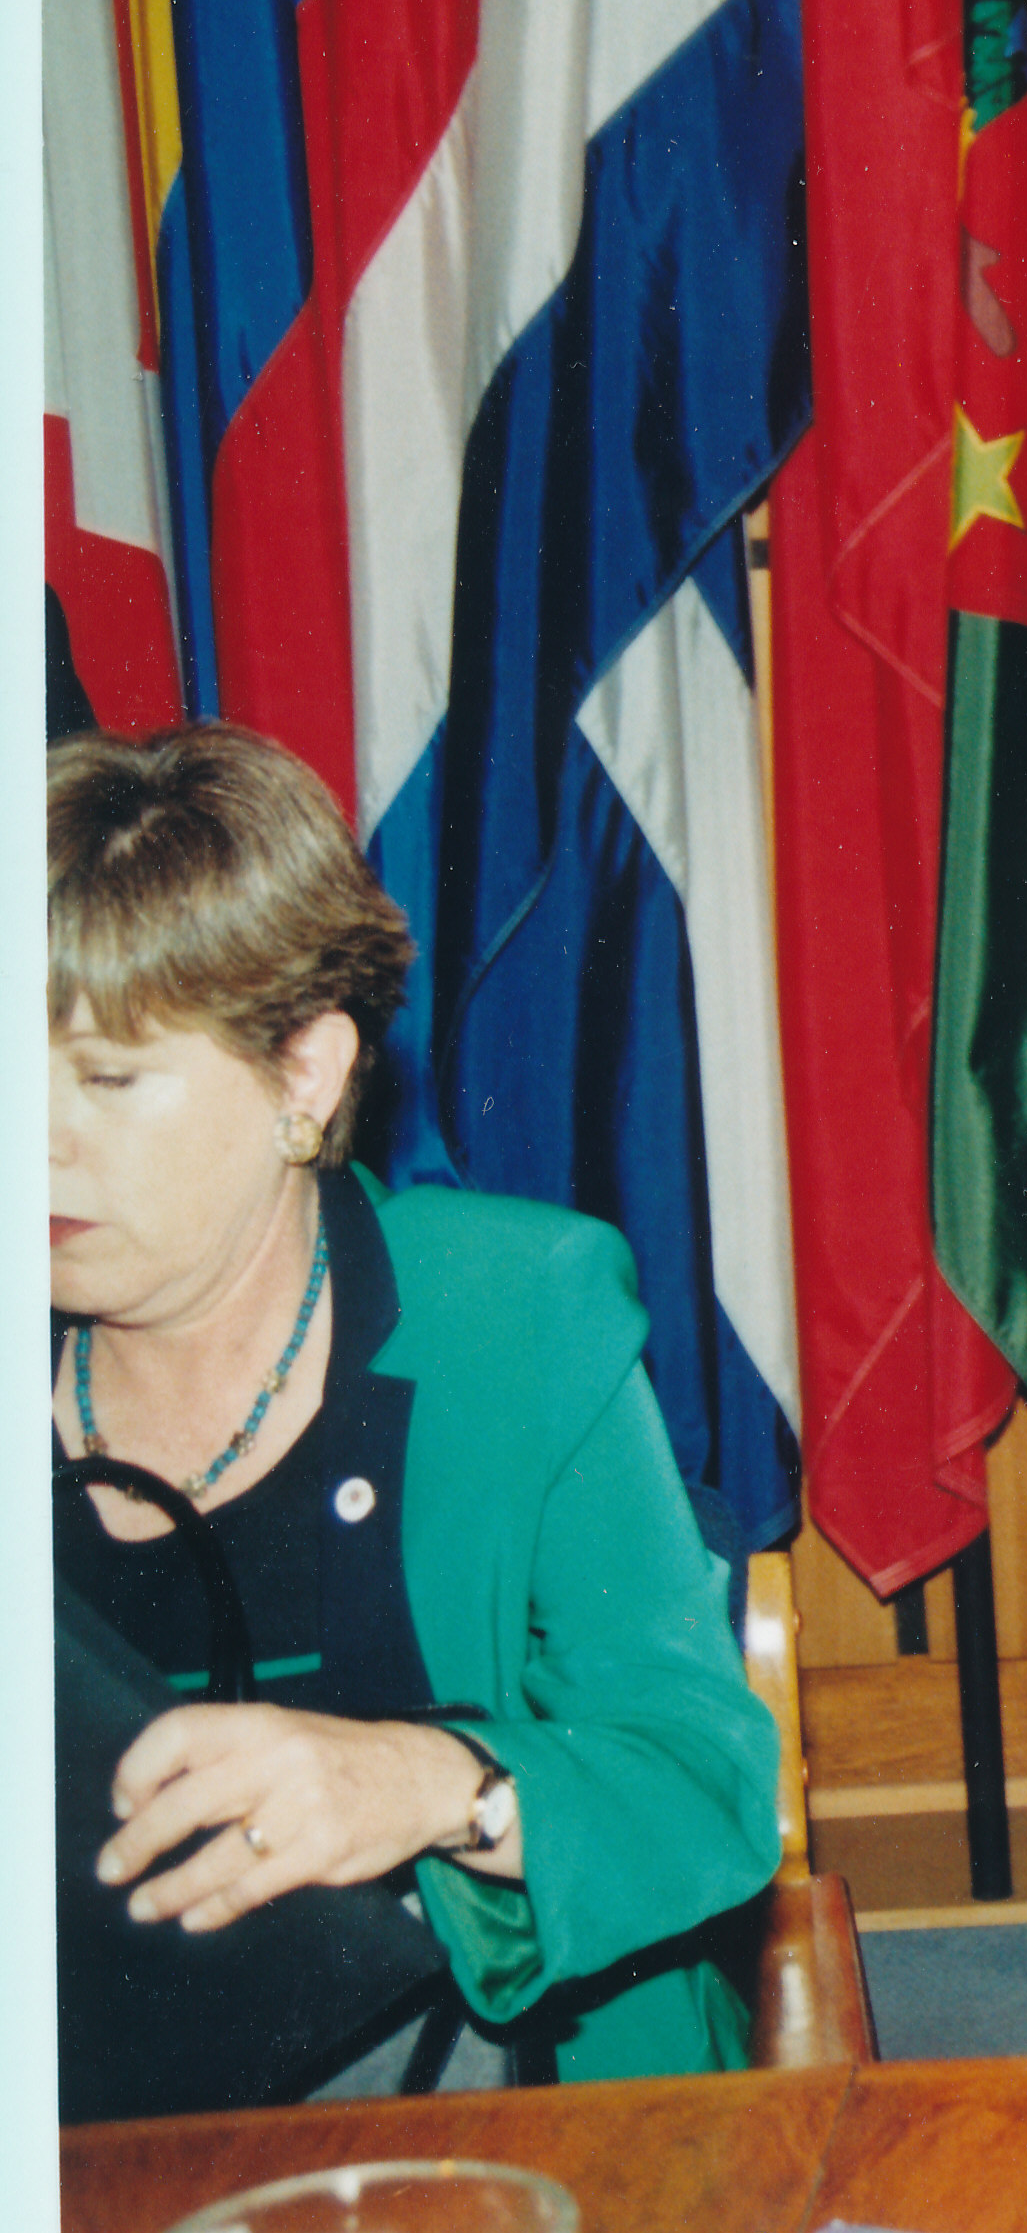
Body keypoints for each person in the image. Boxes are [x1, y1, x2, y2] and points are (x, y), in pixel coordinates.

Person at [50, 723, 777, 2089]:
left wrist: (425, 1785)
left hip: (488, 2095)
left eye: (105, 1078)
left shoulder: (519, 1315)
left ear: (303, 1074)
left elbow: (704, 1786)